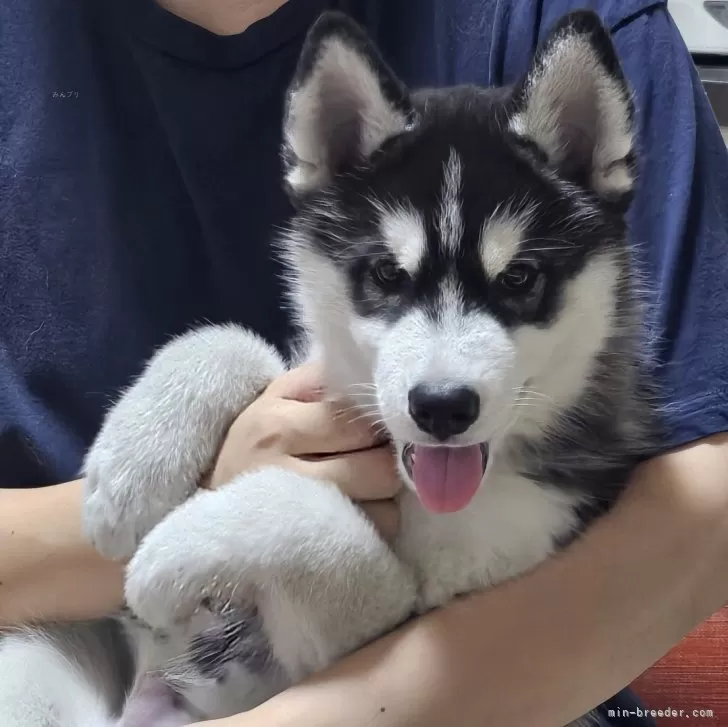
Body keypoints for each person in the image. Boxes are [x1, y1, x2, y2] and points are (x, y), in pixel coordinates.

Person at [1, 0, 727, 725]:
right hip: (107, 649)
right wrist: (202, 472)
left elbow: (703, 509)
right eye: (386, 277)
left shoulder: (545, 16)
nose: (443, 377)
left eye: (517, 281)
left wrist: (261, 517)